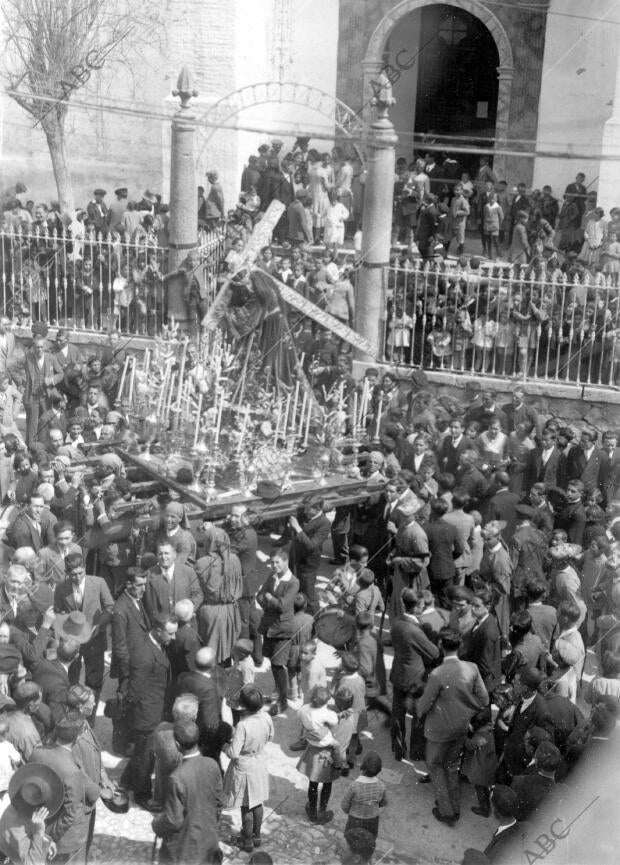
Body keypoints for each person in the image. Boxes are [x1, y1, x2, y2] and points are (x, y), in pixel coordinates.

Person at [417, 627, 489, 826]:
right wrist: (467, 710)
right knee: (452, 766)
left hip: (438, 731)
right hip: (461, 728)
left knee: (436, 767)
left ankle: (446, 811)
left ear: (441, 645)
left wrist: (418, 710)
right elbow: (484, 699)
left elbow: (424, 705)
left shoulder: (437, 674)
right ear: (460, 646)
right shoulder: (472, 668)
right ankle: (455, 807)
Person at [31, 715, 101, 865]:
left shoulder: (37, 752)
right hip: (65, 840)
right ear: (76, 740)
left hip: (39, 823)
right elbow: (70, 815)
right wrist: (49, 837)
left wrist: (41, 833)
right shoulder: (72, 771)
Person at [120, 615, 174, 807]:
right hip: (147, 712)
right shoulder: (144, 654)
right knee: (146, 754)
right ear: (158, 631)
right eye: (171, 633)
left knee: (142, 749)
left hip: (154, 705)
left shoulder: (154, 642)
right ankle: (142, 795)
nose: (173, 638)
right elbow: (135, 689)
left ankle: (126, 781)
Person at [152, 720, 223, 865]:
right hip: (210, 843)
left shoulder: (177, 777)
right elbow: (220, 802)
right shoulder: (212, 764)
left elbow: (174, 821)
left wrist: (157, 824)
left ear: (178, 745)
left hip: (185, 851)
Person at [53, 553, 114, 717]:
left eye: (80, 573)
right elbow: (58, 612)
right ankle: (72, 715)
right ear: (66, 572)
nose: (77, 577)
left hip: (95, 639)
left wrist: (100, 626)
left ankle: (90, 716)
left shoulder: (99, 583)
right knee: (71, 679)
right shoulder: (61, 588)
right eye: (73, 574)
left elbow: (110, 607)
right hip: (72, 641)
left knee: (94, 680)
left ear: (85, 569)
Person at [389, 588, 439, 763]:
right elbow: (434, 653)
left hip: (398, 673)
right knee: (418, 715)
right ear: (417, 607)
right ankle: (416, 752)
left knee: (397, 713)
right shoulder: (415, 630)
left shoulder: (396, 622)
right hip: (415, 678)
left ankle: (397, 747)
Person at [223, 684, 273, 853]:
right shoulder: (266, 717)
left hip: (244, 766)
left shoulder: (242, 725)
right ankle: (257, 836)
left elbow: (234, 753)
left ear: (242, 705)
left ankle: (247, 839)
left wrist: (224, 746)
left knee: (246, 805)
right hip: (259, 761)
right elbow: (271, 736)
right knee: (257, 802)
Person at [257, 547, 299, 716]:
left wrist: (269, 598)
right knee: (273, 662)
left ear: (286, 562)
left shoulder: (293, 582)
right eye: (272, 562)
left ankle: (283, 702)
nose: (274, 566)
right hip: (269, 626)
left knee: (278, 664)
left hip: (283, 630)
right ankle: (277, 691)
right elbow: (259, 595)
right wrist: (267, 600)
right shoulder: (272, 576)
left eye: (277, 562)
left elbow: (283, 606)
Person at [196, 527, 243, 664]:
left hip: (211, 612)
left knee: (209, 652)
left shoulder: (202, 563)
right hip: (231, 611)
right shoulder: (235, 560)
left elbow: (198, 590)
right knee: (228, 648)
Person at [0, 762, 63, 865]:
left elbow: (29, 827)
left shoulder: (22, 804)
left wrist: (46, 840)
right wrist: (39, 831)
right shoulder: (13, 824)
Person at [175, 647, 226, 761]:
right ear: (213, 665)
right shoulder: (209, 688)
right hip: (204, 738)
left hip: (187, 730)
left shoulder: (184, 677)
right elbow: (210, 722)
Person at [144, 541, 203, 622]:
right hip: (161, 627)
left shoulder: (188, 572)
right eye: (160, 554)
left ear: (174, 555)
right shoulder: (149, 575)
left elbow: (198, 594)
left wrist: (189, 607)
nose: (163, 557)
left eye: (166, 553)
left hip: (185, 624)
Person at [340, 751, 387, 841]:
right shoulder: (381, 785)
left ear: (363, 767)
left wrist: (351, 811)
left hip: (354, 820)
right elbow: (383, 803)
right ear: (379, 770)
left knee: (351, 841)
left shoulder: (354, 785)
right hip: (372, 821)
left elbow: (344, 805)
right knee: (368, 842)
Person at [464, 587, 502, 693]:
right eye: (472, 605)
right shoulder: (484, 620)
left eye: (476, 606)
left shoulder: (488, 631)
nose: (472, 608)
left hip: (484, 683)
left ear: (488, 606)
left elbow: (485, 665)